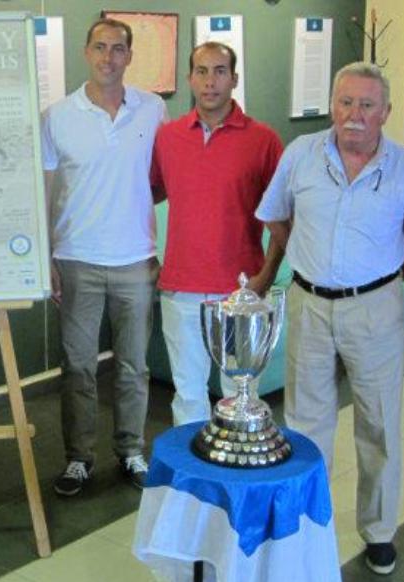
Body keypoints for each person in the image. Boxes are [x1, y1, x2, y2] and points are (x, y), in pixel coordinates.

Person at [256, 61, 404, 575]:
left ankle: (379, 531)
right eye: (345, 102)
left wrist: (391, 278)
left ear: (386, 111)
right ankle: (303, 522)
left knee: (379, 422)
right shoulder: (301, 154)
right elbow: (274, 212)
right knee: (304, 421)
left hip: (376, 307)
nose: (354, 115)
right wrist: (298, 251)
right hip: (309, 302)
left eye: (367, 105)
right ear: (333, 106)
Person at [41, 18, 166, 496]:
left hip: (135, 260)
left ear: (129, 56)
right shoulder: (58, 116)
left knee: (134, 365)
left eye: (118, 48)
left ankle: (132, 451)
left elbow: (160, 178)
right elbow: (47, 190)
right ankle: (78, 458)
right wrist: (48, 256)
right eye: (100, 47)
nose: (108, 57)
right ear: (86, 52)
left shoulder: (153, 110)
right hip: (76, 260)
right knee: (78, 367)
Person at [150, 41, 284, 425]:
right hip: (181, 288)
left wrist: (267, 276)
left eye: (220, 72)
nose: (210, 82)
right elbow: (150, 192)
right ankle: (192, 481)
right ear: (190, 78)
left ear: (234, 79)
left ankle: (235, 478)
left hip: (240, 291)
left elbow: (282, 219)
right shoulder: (168, 137)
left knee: (239, 394)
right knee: (188, 393)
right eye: (202, 72)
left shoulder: (264, 140)